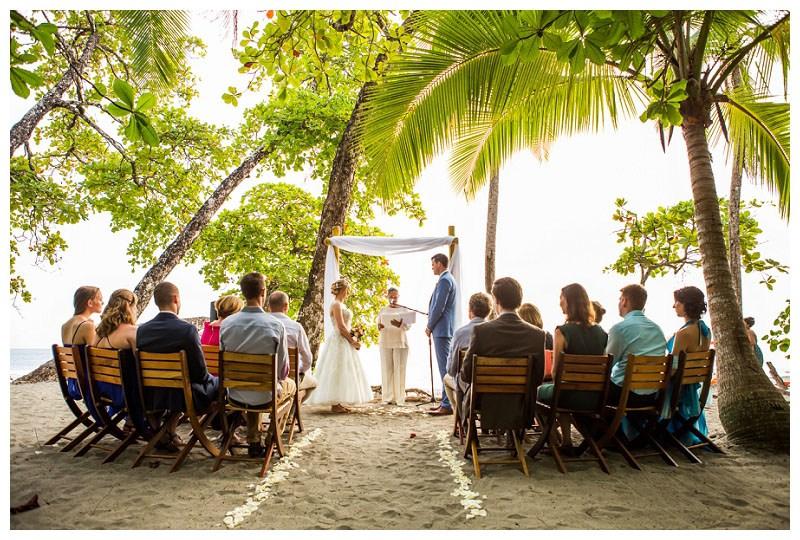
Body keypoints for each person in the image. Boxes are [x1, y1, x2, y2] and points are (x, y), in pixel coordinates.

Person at [220, 274, 296, 458]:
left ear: (243, 292)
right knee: (290, 386)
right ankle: (272, 436)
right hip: (265, 395)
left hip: (235, 394)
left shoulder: (227, 324)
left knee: (255, 385)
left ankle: (254, 439)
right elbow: (283, 370)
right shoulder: (276, 325)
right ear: (263, 292)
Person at [137, 282, 219, 452]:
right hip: (183, 395)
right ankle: (228, 434)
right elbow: (199, 374)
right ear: (176, 298)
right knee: (219, 384)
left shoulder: (142, 330)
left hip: (153, 393)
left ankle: (166, 432)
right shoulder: (187, 330)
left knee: (181, 385)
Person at [458, 277, 545, 429]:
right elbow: (537, 378)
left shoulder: (481, 331)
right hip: (521, 403)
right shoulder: (537, 335)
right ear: (519, 300)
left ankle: (469, 431)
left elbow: (466, 373)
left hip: (486, 403)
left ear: (496, 300)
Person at [535, 283, 608, 450]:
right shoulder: (602, 333)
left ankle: (554, 439)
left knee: (537, 392)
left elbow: (555, 372)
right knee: (563, 389)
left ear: (569, 302)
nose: (559, 302)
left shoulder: (562, 331)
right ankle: (566, 441)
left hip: (568, 394)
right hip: (595, 397)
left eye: (561, 298)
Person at [307, 278, 372, 412]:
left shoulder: (341, 305)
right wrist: (352, 341)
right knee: (336, 370)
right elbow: (341, 327)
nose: (348, 292)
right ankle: (335, 405)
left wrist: (354, 334)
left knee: (344, 371)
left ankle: (338, 402)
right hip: (339, 339)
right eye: (347, 290)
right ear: (343, 290)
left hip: (344, 340)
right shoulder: (336, 304)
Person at [663, 286, 712, 445]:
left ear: (687, 305)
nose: (673, 306)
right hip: (690, 386)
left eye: (677, 302)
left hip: (677, 391)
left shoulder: (684, 333)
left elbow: (674, 368)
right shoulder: (705, 330)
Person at [606, 283, 667, 407]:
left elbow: (606, 365)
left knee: (583, 397)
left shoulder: (620, 329)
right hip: (652, 396)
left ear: (624, 301)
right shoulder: (657, 330)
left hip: (624, 395)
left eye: (620, 299)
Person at [442, 292, 492, 413]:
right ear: (489, 311)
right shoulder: (495, 332)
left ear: (470, 310)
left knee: (446, 378)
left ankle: (459, 415)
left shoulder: (460, 333)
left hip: (468, 386)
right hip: (492, 384)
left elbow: (451, 369)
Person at [93, 289, 139, 421]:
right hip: (124, 392)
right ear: (129, 307)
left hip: (100, 389)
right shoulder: (132, 332)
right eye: (135, 306)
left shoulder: (99, 332)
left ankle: (131, 421)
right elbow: (140, 363)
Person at [267, 290, 318, 403]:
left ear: (269, 306)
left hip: (264, 374)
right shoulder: (296, 327)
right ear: (286, 306)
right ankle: (291, 413)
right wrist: (299, 370)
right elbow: (307, 358)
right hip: (288, 376)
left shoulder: (262, 325)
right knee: (313, 383)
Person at [426, 253, 457, 416]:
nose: (431, 267)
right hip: (444, 328)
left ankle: (447, 404)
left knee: (444, 368)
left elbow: (439, 307)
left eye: (433, 263)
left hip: (442, 329)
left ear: (439, 263)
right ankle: (445, 402)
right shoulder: (448, 279)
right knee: (444, 366)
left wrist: (430, 326)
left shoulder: (445, 280)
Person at [376, 287, 412, 405]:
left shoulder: (404, 310)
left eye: (395, 297)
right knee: (387, 369)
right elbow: (378, 324)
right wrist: (379, 326)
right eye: (391, 297)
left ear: (398, 297)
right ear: (387, 297)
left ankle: (399, 398)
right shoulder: (383, 310)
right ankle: (387, 397)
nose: (393, 299)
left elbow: (408, 326)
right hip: (385, 341)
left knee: (399, 369)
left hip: (400, 342)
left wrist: (400, 324)